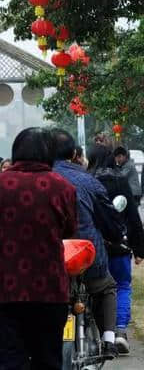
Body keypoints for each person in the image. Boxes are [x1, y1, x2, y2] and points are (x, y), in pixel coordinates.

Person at [0, 127, 78, 370]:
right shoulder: (63, 187)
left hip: (4, 291)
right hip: (50, 292)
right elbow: (69, 231)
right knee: (47, 361)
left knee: (5, 361)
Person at [52, 130, 118, 358]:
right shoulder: (88, 180)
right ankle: (110, 339)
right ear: (74, 154)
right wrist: (117, 236)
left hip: (47, 259)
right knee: (106, 287)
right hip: (87, 256)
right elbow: (109, 219)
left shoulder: (36, 181)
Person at [88, 144, 144, 354]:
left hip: (93, 247)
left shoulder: (87, 181)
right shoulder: (120, 181)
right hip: (120, 245)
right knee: (121, 286)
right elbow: (133, 217)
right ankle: (119, 331)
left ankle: (98, 331)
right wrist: (139, 249)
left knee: (94, 289)